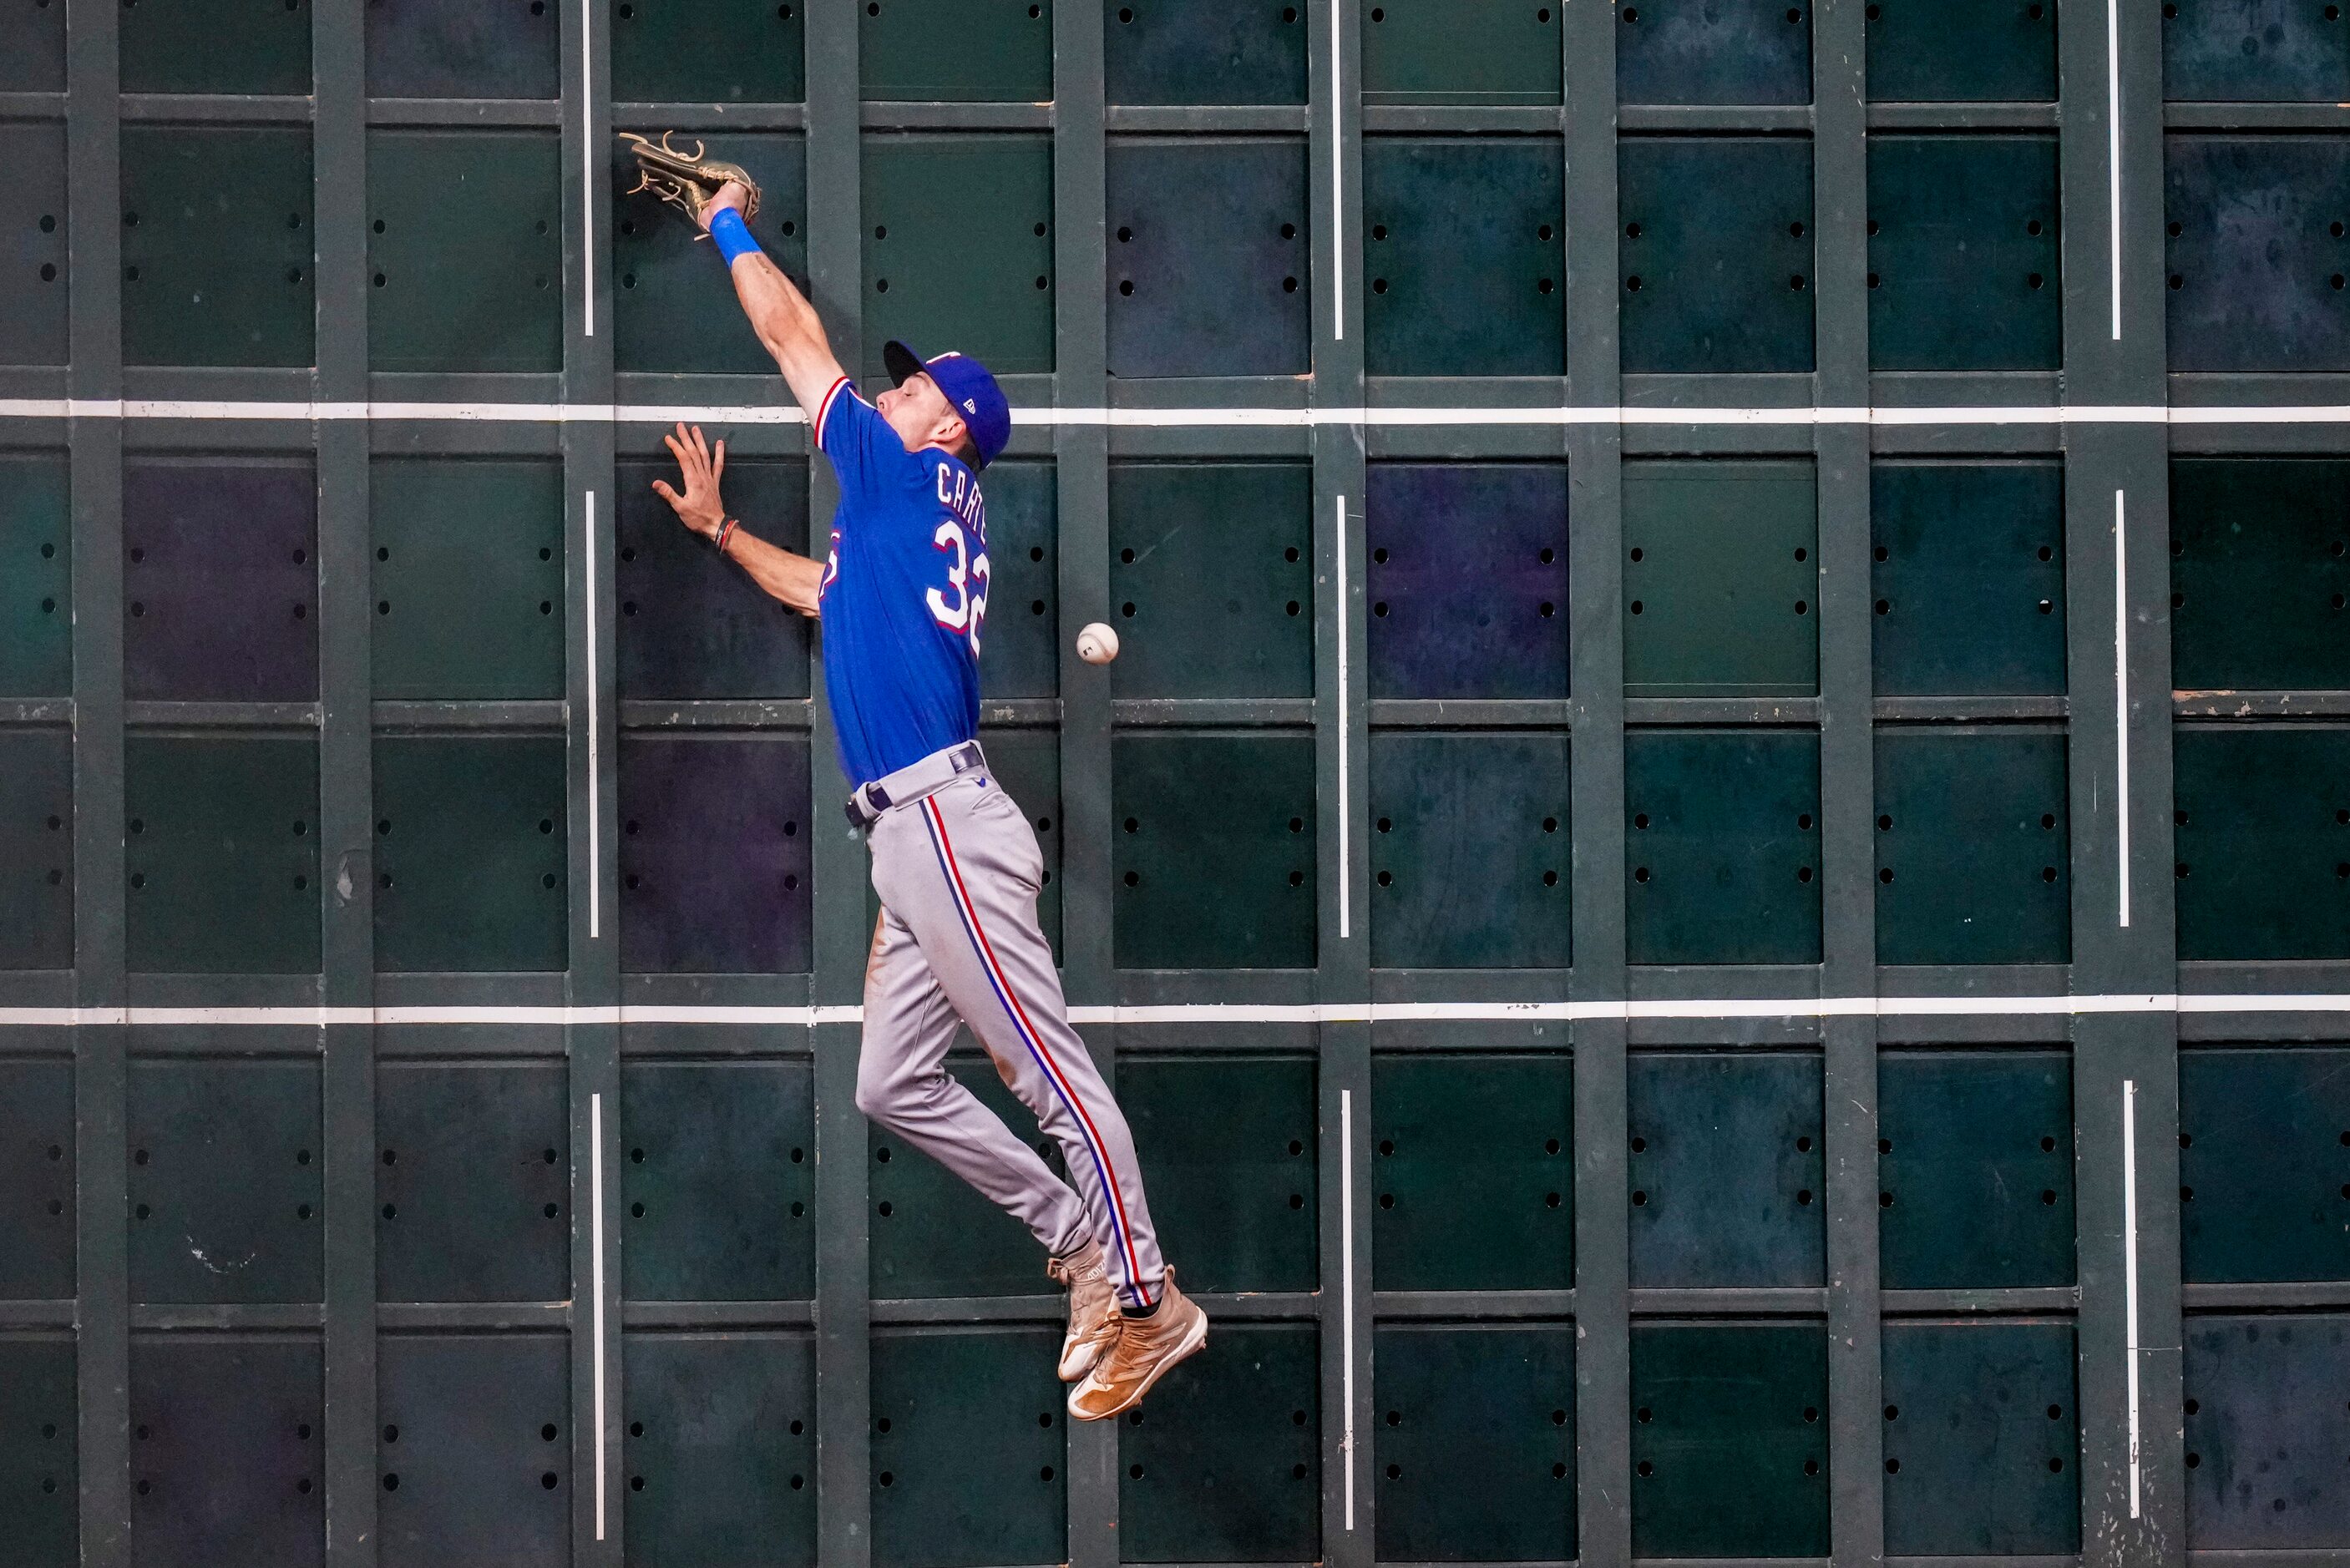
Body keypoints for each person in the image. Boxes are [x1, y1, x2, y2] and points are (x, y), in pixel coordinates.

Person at [649, 177, 1205, 1419]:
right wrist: (726, 531)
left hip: (943, 823)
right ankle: (1079, 1244)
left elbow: (793, 338)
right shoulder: (901, 516)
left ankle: (1146, 1296)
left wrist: (729, 221)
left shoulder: (900, 479)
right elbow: (823, 594)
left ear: (946, 430)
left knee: (1046, 1074)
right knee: (890, 1082)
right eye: (894, 384)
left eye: (913, 389)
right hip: (915, 838)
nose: (887, 392)